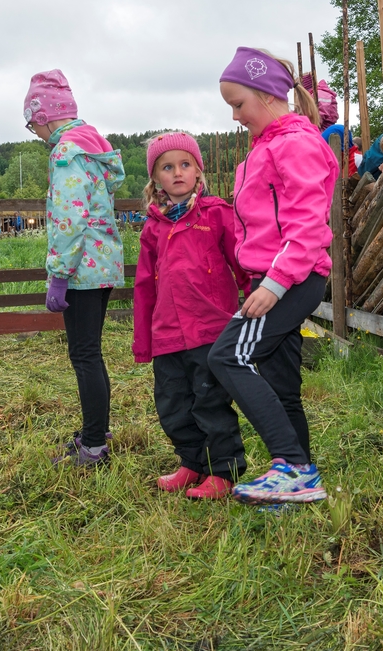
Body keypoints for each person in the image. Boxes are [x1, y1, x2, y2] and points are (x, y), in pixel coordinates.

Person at [209, 46, 338, 506]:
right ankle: (299, 483)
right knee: (281, 384)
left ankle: (295, 468)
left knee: (227, 357)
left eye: (237, 104)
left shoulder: (295, 144)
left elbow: (308, 226)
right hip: (277, 276)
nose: (235, 117)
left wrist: (273, 285)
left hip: (290, 279)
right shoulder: (267, 147)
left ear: (265, 93)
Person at [133, 132, 249, 499]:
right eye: (168, 167)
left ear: (198, 172)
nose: (178, 173)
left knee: (210, 401)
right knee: (172, 403)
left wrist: (255, 298)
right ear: (156, 179)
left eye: (185, 165)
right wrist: (143, 339)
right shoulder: (154, 225)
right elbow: (144, 286)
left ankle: (223, 471)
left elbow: (242, 260)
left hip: (211, 329)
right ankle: (192, 463)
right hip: (167, 332)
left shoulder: (216, 214)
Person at [26, 69, 126, 467]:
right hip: (101, 265)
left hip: (82, 270)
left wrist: (59, 275)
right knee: (91, 353)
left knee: (84, 355)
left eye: (31, 122)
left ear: (43, 116)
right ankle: (96, 430)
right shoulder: (91, 147)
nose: (33, 131)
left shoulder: (66, 153)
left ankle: (94, 446)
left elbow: (70, 218)